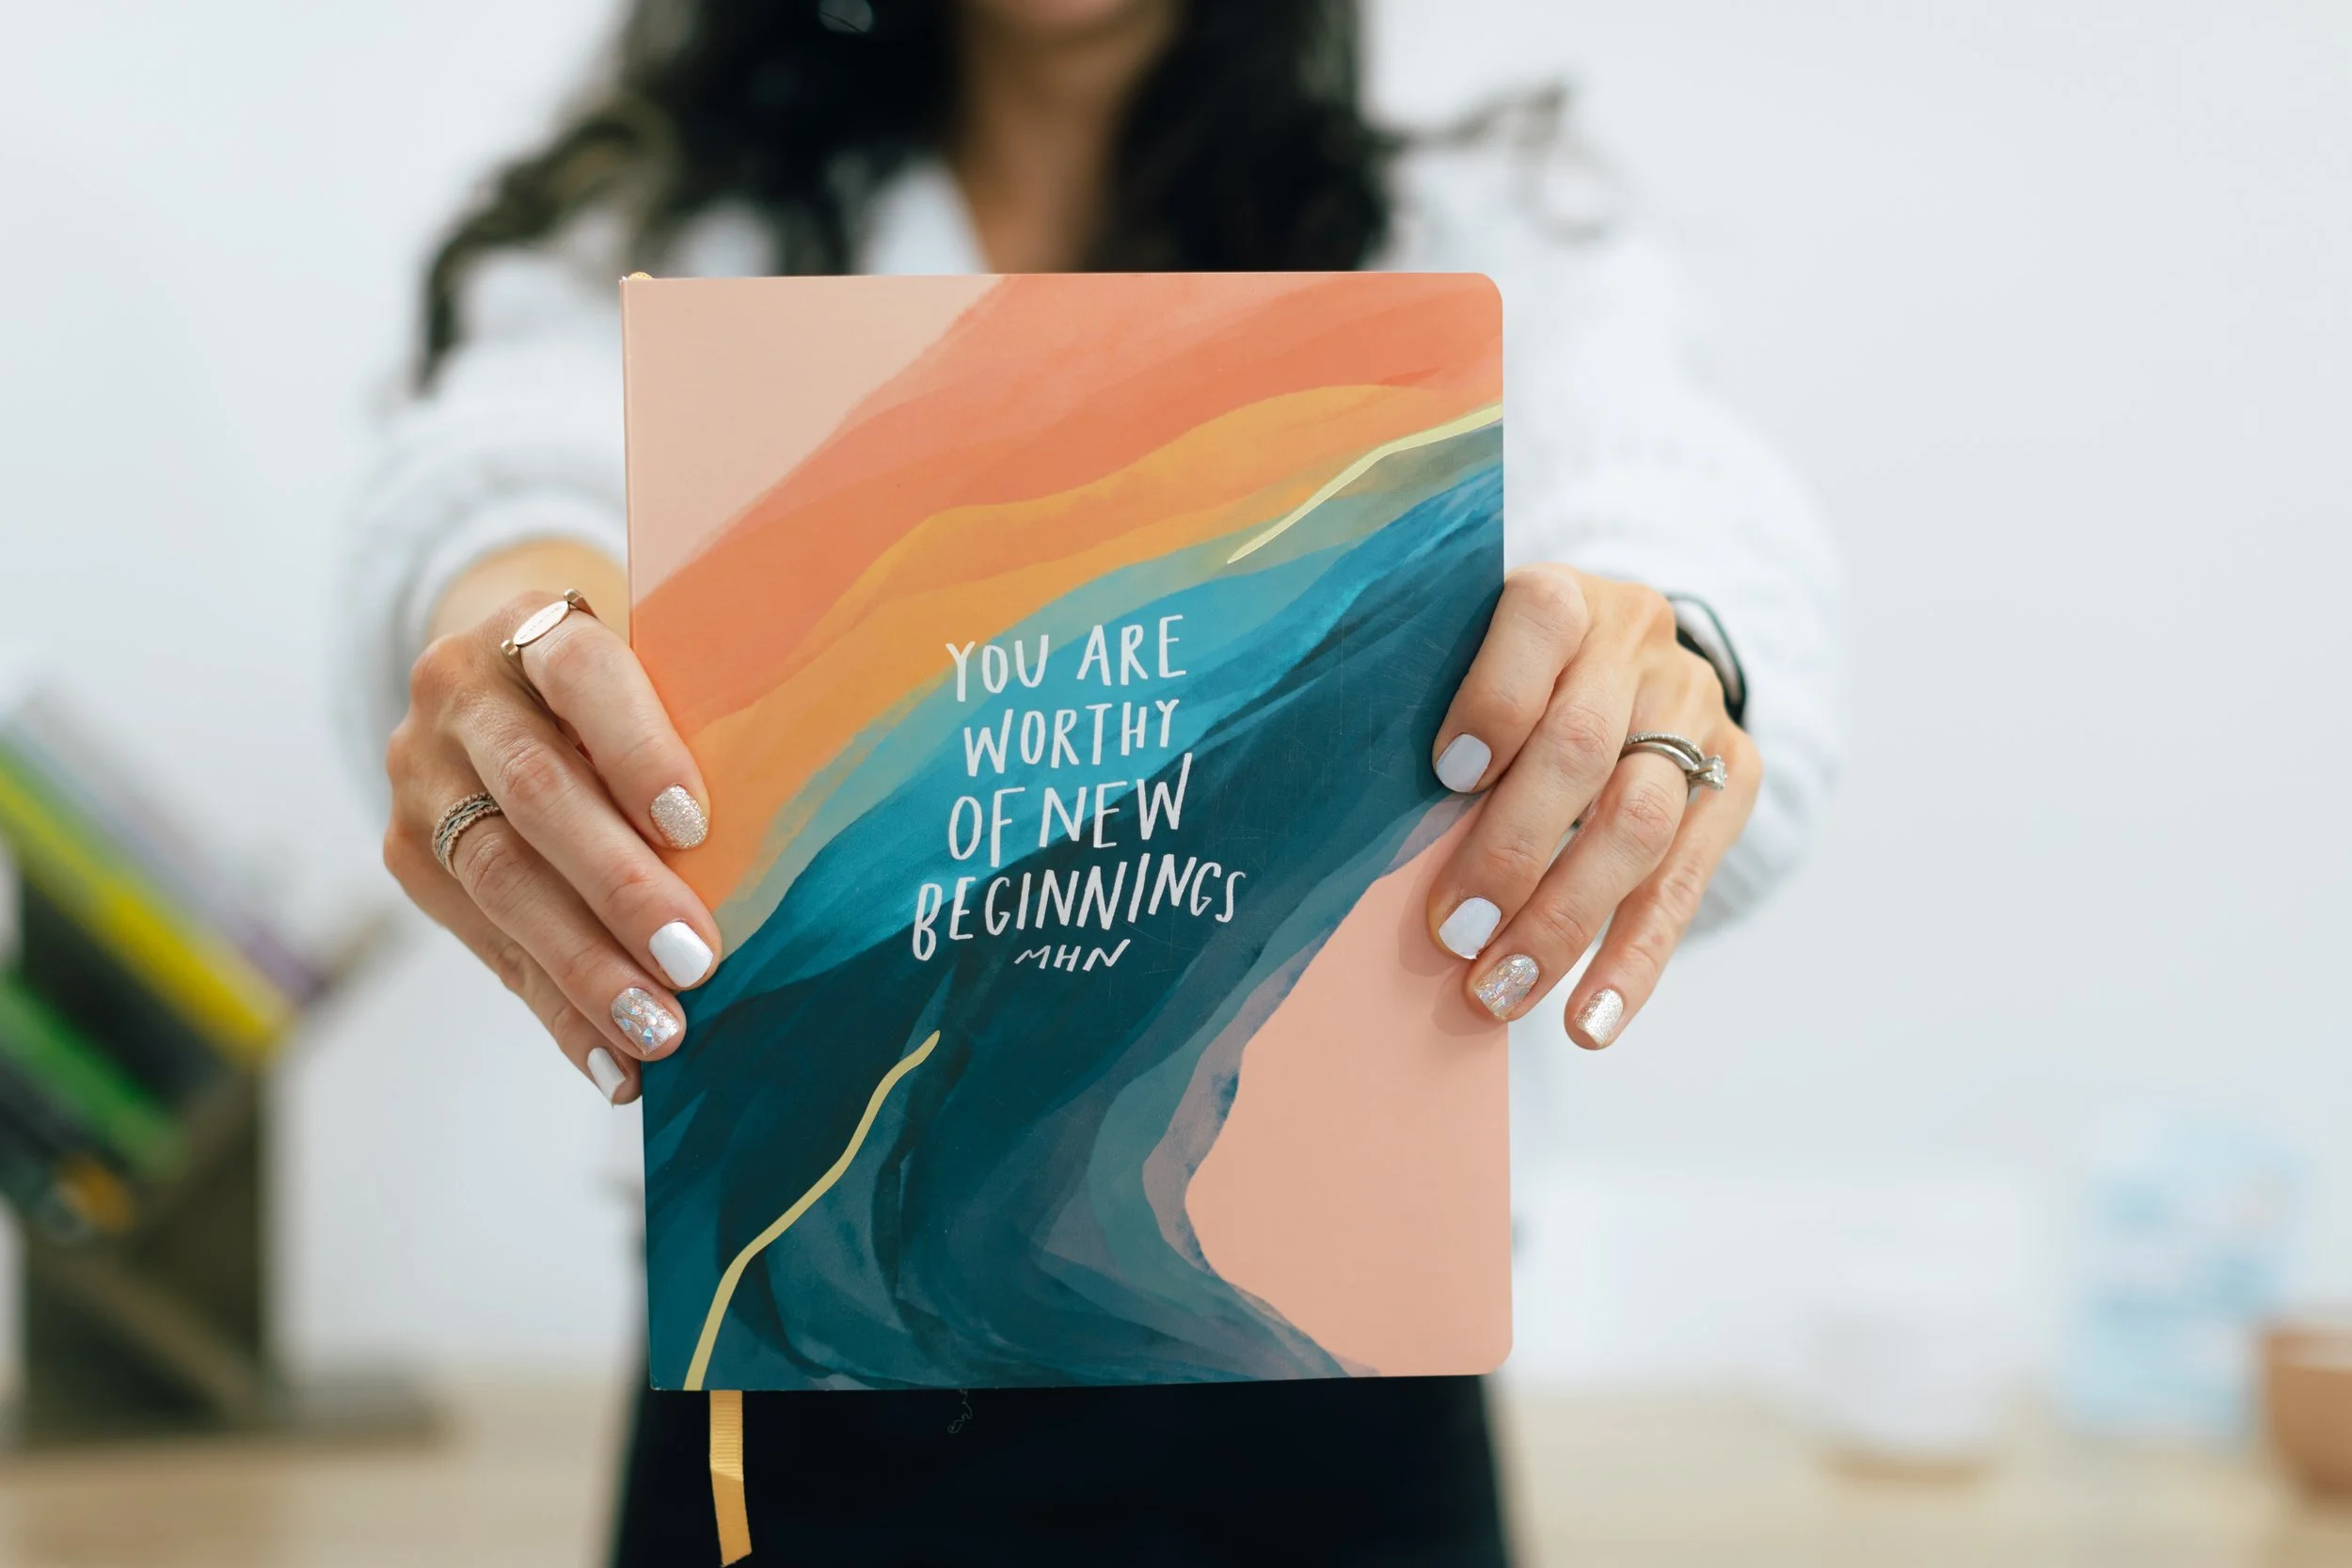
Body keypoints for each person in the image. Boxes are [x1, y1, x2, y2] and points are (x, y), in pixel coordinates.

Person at [342, 0, 1839, 1560]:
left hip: (1328, 1392)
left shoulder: (1484, 219)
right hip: (792, 1376)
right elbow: (512, 460)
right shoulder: (661, 228)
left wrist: (1671, 660)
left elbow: (1664, 485)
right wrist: (512, 624)